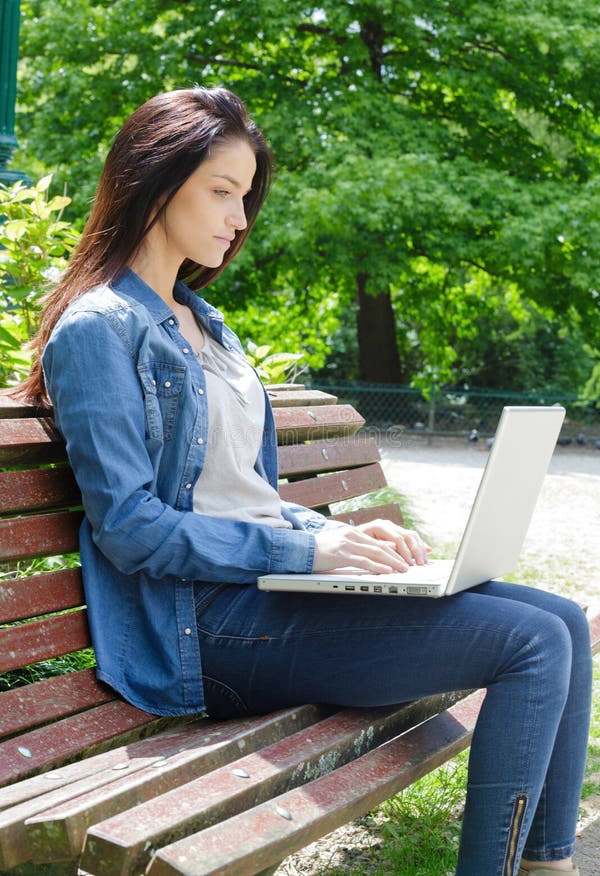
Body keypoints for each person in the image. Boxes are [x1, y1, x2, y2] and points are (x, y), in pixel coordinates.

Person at [11, 86, 591, 876]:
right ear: (154, 178)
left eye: (245, 197)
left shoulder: (205, 323)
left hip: (265, 594)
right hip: (203, 625)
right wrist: (308, 558)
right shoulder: (97, 331)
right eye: (222, 191)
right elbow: (133, 529)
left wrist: (334, 534)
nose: (239, 218)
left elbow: (242, 496)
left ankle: (546, 864)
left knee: (564, 621)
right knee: (527, 643)